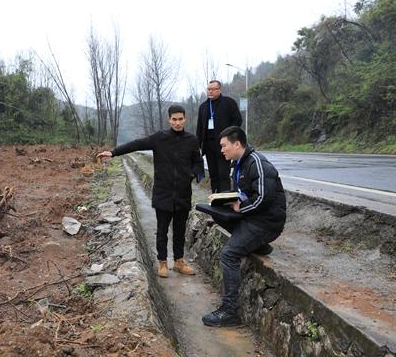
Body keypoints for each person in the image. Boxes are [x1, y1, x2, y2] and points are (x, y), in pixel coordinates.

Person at [97, 105, 205, 278]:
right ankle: (162, 262)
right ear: (169, 120)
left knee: (180, 230)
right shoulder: (159, 138)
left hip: (183, 194)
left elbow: (198, 163)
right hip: (163, 192)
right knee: (162, 230)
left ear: (185, 119)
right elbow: (136, 144)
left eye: (180, 119)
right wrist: (113, 152)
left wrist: (192, 175)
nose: (177, 122)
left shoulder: (192, 140)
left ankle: (178, 261)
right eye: (174, 119)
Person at [202, 126, 286, 327]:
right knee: (217, 214)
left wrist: (241, 208)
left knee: (229, 254)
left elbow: (264, 198)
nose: (221, 150)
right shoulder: (238, 164)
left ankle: (230, 312)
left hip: (266, 222)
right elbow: (241, 193)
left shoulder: (257, 163)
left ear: (237, 144)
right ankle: (258, 245)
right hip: (254, 217)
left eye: (224, 146)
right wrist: (222, 200)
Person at [196, 80, 243, 193]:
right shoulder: (203, 107)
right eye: (209, 89)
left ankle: (225, 200)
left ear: (219, 90)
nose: (210, 92)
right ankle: (215, 198)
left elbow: (237, 120)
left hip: (224, 145)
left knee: (223, 174)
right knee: (213, 174)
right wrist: (197, 146)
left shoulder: (229, 103)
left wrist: (229, 135)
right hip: (208, 145)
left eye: (213, 89)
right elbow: (199, 128)